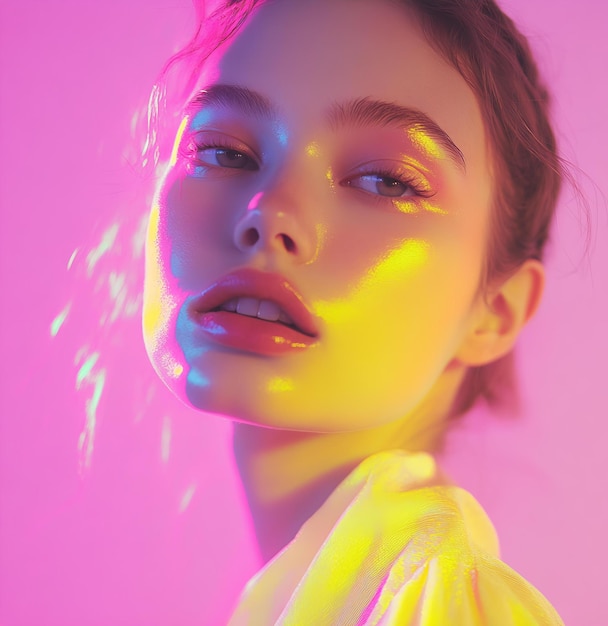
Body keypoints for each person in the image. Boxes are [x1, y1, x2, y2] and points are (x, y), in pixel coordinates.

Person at [141, 0, 566, 622]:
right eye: (224, 152)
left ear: (495, 311)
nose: (269, 213)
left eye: (386, 181)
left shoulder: (439, 602)